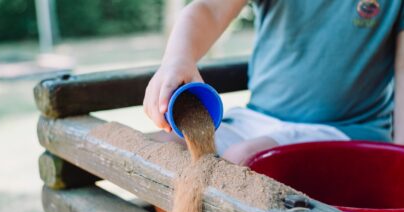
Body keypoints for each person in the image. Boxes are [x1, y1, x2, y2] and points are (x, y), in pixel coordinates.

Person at [143, 0, 404, 165]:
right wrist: (178, 58)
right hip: (257, 119)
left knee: (245, 159)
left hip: (345, 128)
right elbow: (210, 10)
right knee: (165, 150)